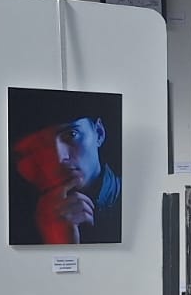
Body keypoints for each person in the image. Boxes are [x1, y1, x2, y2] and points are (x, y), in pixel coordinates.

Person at [10, 105, 122, 245]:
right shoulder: (20, 223)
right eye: (39, 147)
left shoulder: (131, 202)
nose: (59, 157)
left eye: (71, 135)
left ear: (99, 133)